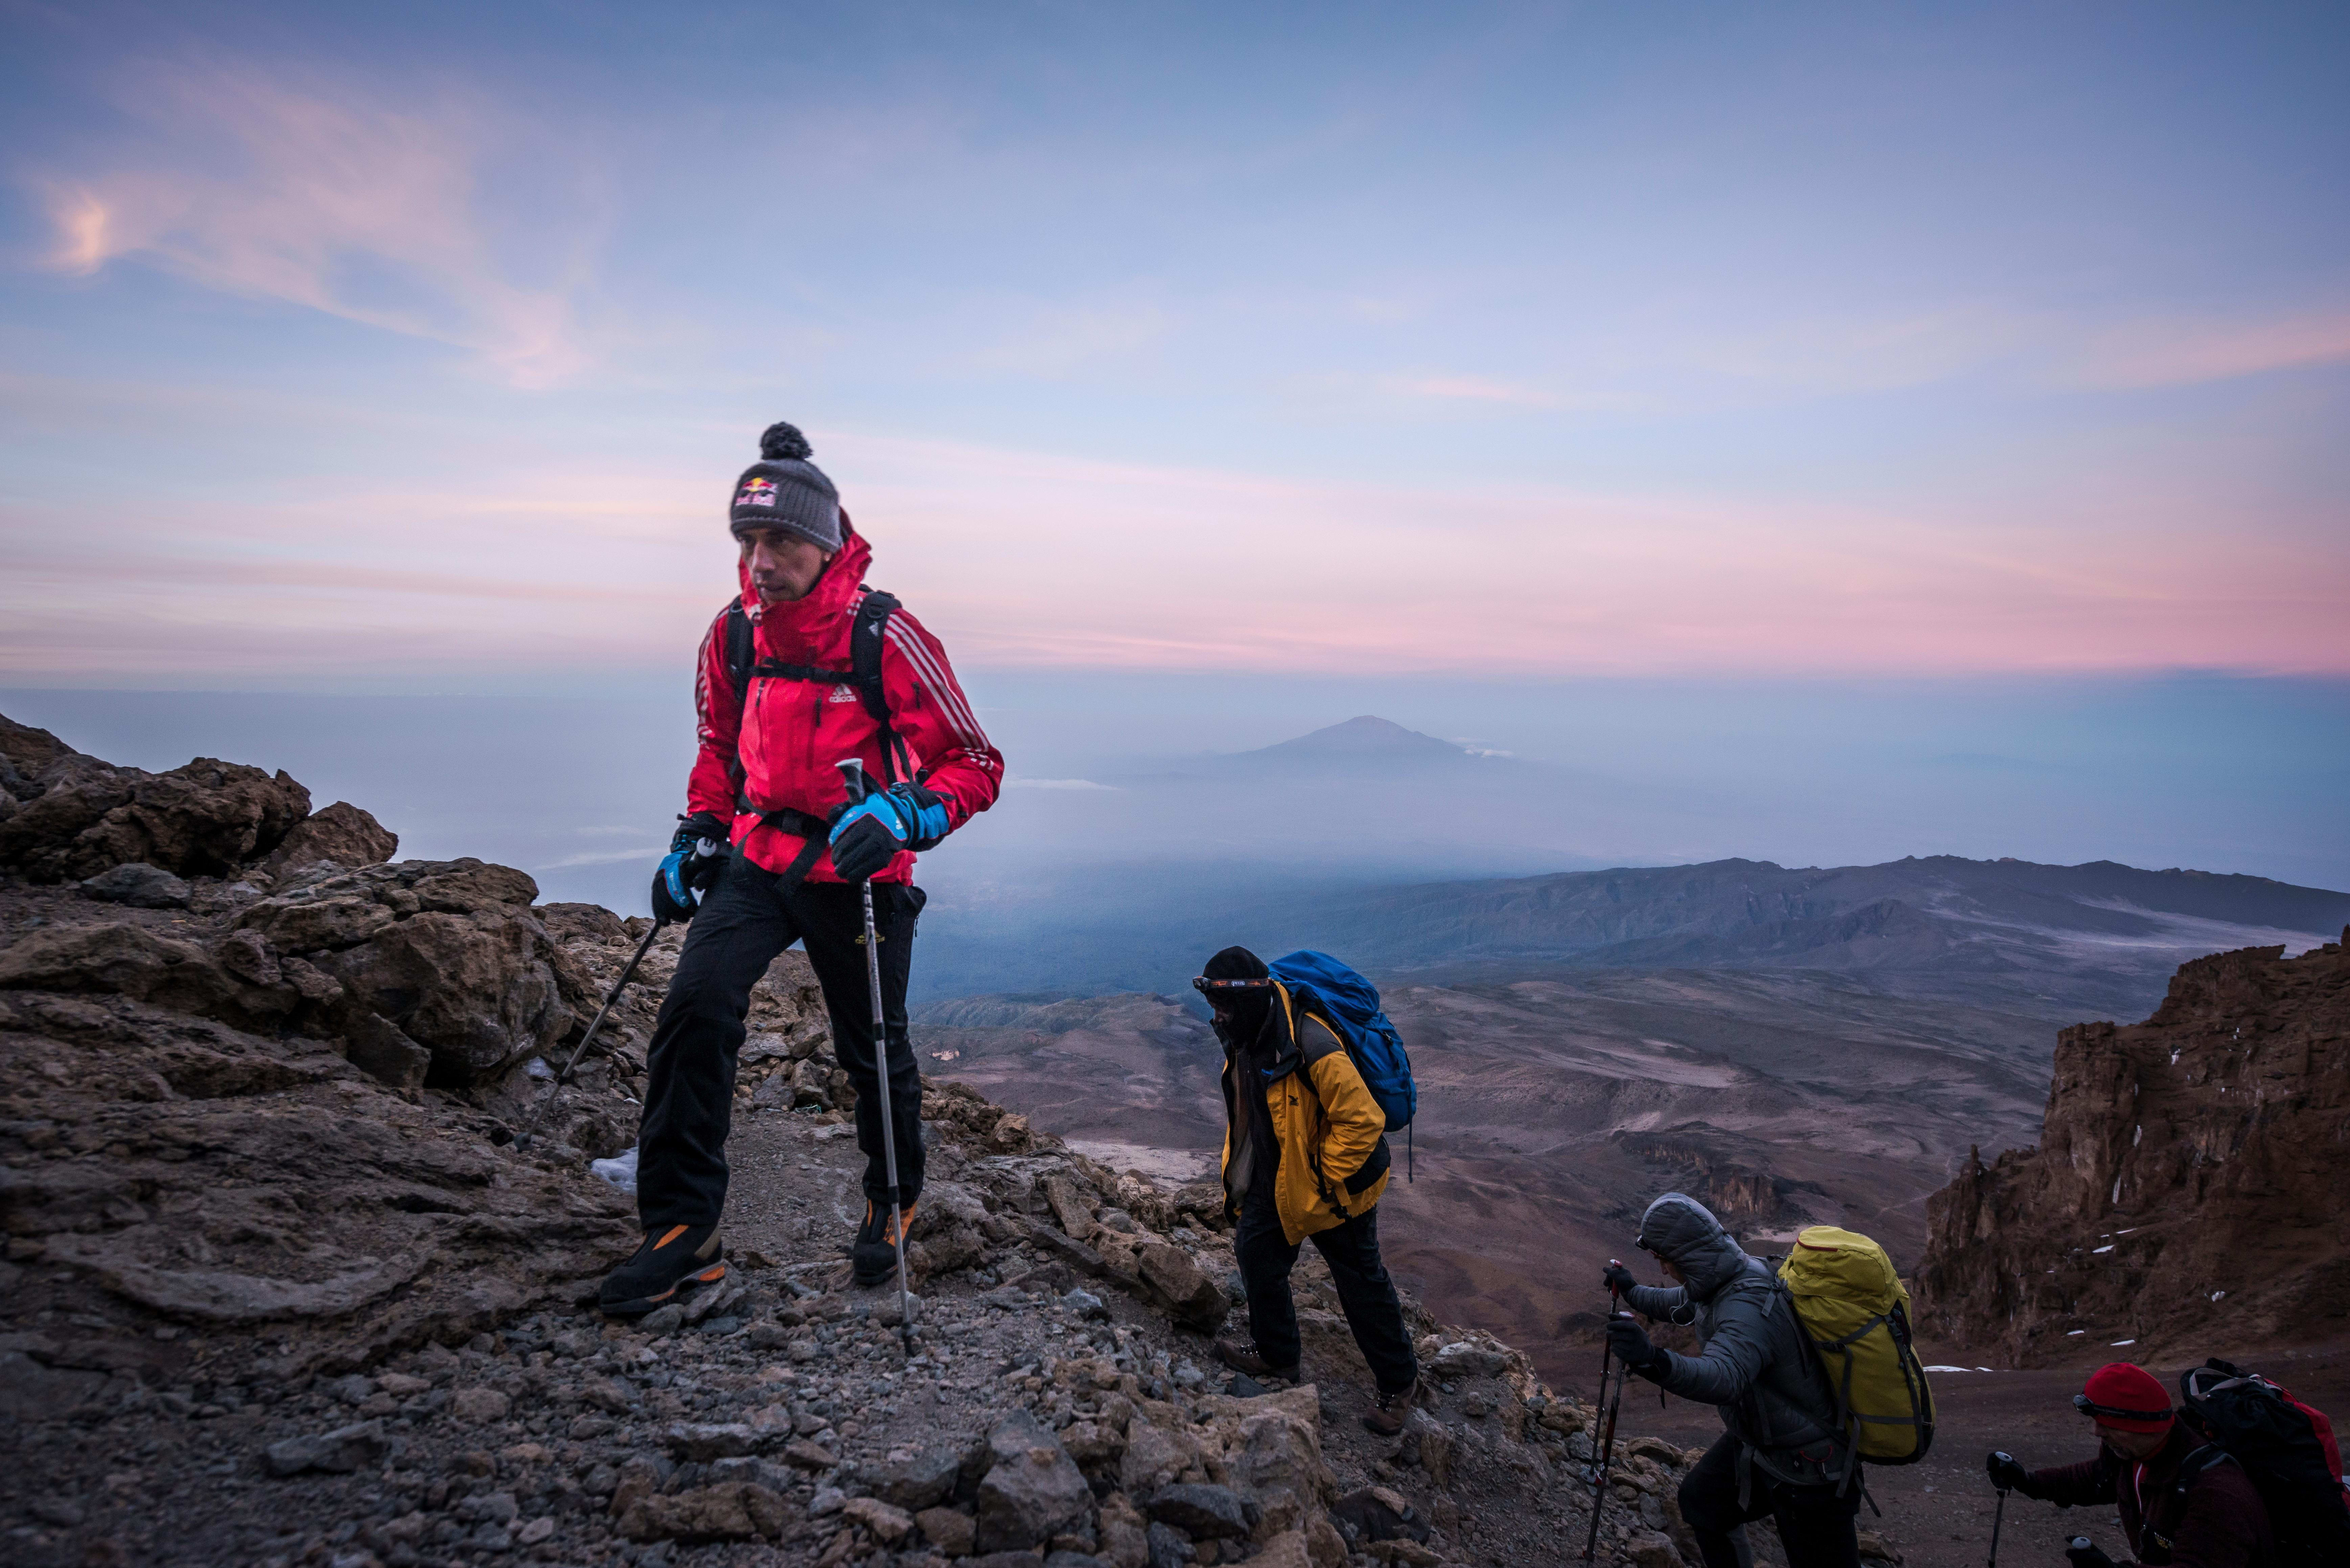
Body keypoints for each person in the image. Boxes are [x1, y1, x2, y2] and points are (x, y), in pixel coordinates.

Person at [599, 422, 1002, 1316]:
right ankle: (682, 1235)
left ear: (824, 543)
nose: (759, 560)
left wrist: (904, 812)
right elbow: (719, 744)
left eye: (779, 539)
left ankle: (892, 1199)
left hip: (861, 871)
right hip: (759, 853)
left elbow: (975, 762)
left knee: (874, 1048)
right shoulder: (731, 635)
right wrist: (698, 832)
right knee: (694, 1011)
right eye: (747, 540)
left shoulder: (885, 636)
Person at [1197, 946, 1422, 1434]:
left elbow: (1364, 1122)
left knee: (1360, 1283)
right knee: (1256, 1253)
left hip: (1339, 1188)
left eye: (1223, 1007)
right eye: (1213, 1007)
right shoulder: (1244, 1029)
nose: (1217, 1017)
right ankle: (1277, 1355)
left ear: (1249, 1000)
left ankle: (1398, 1383)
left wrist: (1320, 1176)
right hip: (1278, 1179)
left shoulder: (1311, 1040)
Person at [1601, 1193, 1856, 1568]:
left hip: (1810, 1465)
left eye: (1664, 1260)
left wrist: (1652, 1359)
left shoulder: (1748, 1303)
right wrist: (1632, 1291)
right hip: (1763, 1440)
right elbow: (1682, 1302)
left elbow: (1724, 1378)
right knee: (1703, 1502)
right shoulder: (1725, 1276)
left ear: (1686, 1255)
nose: (1665, 1270)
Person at [1986, 1362, 2273, 1568]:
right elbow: (2093, 1478)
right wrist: (2028, 1481)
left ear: (2138, 1424)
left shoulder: (2217, 1492)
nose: (2098, 1432)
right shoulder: (2134, 1454)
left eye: (2106, 1424)